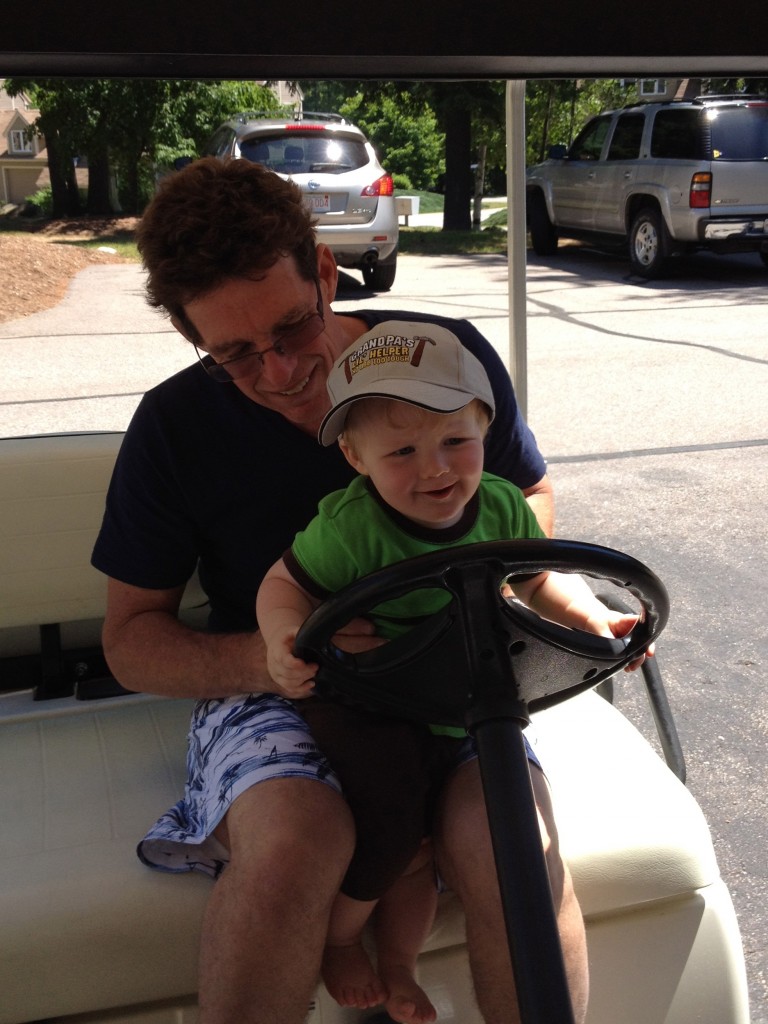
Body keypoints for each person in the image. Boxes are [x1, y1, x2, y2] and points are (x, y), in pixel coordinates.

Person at [91, 155, 572, 1024]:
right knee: (291, 850)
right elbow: (130, 640)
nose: (278, 374)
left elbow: (526, 495)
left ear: (323, 271)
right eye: (235, 356)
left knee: (515, 850)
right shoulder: (174, 428)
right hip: (273, 682)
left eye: (291, 331)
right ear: (194, 341)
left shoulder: (441, 359)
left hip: (450, 666)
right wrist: (275, 657)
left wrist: (508, 597)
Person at [256, 323, 648, 1024]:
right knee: (395, 807)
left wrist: (589, 618)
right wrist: (282, 634)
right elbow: (281, 586)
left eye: (454, 443)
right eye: (402, 451)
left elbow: (538, 581)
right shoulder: (347, 529)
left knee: (477, 832)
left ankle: (399, 964)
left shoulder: (499, 505)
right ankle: (343, 940)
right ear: (355, 455)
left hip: (463, 692)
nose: (435, 469)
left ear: (484, 427)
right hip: (368, 696)